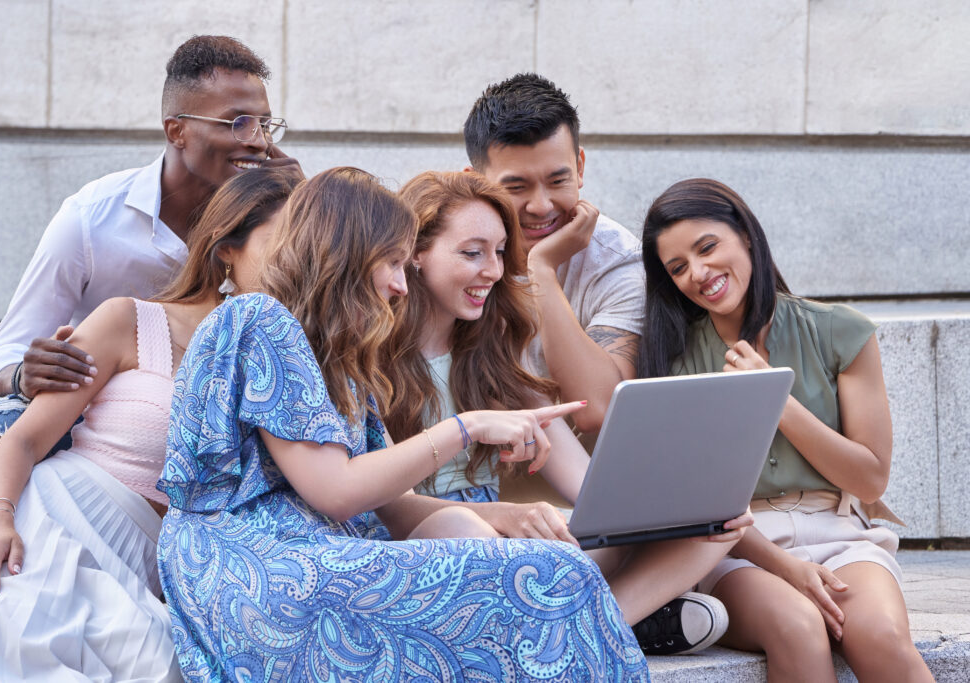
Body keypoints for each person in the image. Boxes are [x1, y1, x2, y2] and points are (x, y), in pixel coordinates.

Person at [156, 167, 650, 682]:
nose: (399, 283)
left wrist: (507, 517)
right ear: (344, 256)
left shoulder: (340, 356)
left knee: (516, 555)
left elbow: (388, 502)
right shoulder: (261, 320)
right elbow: (338, 492)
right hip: (264, 577)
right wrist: (466, 427)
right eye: (391, 262)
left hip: (319, 557)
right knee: (546, 576)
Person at [0, 167, 301, 681]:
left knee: (157, 668)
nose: (299, 260)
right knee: (8, 638)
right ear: (228, 248)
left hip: (149, 558)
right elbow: (23, 439)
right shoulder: (127, 320)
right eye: (285, 242)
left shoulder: (283, 355)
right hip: (52, 519)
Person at [381, 170, 750, 656]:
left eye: (498, 254)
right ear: (415, 254)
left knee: (717, 525)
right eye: (472, 253)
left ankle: (593, 626)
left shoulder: (494, 357)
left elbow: (591, 488)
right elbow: (387, 506)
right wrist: (506, 515)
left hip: (507, 547)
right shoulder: (370, 359)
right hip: (422, 549)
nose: (492, 271)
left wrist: (676, 510)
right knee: (467, 532)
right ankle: (609, 624)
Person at [0, 34, 303, 486]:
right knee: (0, 423)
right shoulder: (90, 220)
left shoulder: (272, 222)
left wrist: (306, 209)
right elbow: (0, 356)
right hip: (107, 430)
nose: (259, 142)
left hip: (228, 428)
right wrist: (25, 375)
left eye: (265, 124)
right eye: (238, 123)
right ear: (176, 130)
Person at [637, 178, 932, 681]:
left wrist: (774, 398)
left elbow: (870, 479)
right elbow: (699, 506)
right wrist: (786, 567)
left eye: (708, 247)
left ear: (745, 236)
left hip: (842, 534)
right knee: (797, 626)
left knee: (878, 635)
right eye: (678, 268)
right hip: (737, 548)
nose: (700, 273)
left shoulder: (840, 330)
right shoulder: (675, 361)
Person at [463, 73, 645, 438]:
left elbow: (597, 410)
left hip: (584, 482)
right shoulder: (451, 253)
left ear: (579, 167)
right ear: (475, 181)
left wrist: (541, 269)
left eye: (557, 180)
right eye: (516, 187)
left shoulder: (618, 261)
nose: (541, 205)